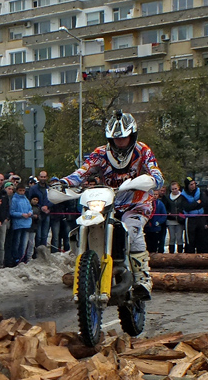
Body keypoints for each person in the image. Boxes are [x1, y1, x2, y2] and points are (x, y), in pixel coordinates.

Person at [62, 110, 164, 299]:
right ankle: (87, 269)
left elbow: (156, 173)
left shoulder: (142, 150)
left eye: (123, 138)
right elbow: (82, 171)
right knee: (87, 222)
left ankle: (142, 279)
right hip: (108, 201)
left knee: (132, 228)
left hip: (136, 202)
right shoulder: (100, 153)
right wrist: (64, 182)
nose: (120, 142)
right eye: (116, 138)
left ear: (132, 135)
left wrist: (151, 179)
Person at [178, 179, 208, 254]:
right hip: (190, 219)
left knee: (201, 239)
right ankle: (189, 256)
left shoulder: (200, 191)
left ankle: (201, 255)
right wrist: (197, 203)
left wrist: (193, 205)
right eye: (191, 184)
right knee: (190, 240)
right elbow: (187, 207)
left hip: (200, 217)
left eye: (194, 184)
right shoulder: (183, 195)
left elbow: (203, 203)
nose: (193, 186)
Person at [27, 170, 52, 251]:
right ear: (38, 177)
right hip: (37, 214)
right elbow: (30, 200)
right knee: (38, 236)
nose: (43, 178)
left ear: (47, 177)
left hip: (47, 213)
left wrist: (47, 206)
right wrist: (40, 207)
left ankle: (43, 252)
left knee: (45, 235)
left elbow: (53, 199)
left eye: (44, 177)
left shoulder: (49, 188)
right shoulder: (33, 188)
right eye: (41, 177)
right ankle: (37, 252)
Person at [9, 181, 32, 265]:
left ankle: (22, 257)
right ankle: (16, 258)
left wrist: (30, 213)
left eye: (23, 190)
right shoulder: (14, 199)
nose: (22, 192)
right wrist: (21, 214)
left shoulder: (26, 199)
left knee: (24, 242)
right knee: (17, 242)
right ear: (17, 190)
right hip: (18, 224)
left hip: (26, 224)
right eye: (20, 190)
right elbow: (12, 212)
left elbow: (30, 208)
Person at [0, 173, 12, 266]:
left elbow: (7, 207)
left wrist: (7, 217)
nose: (0, 182)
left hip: (3, 221)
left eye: (1, 180)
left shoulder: (4, 193)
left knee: (1, 244)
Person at [144, 188, 168, 254]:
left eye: (156, 194)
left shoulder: (160, 204)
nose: (155, 196)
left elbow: (164, 215)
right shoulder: (146, 203)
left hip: (156, 227)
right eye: (153, 194)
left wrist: (158, 222)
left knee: (155, 244)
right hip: (147, 227)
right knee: (148, 244)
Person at [164, 181, 184, 253]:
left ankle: (180, 253)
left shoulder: (182, 197)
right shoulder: (167, 197)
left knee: (179, 237)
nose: (174, 190)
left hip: (179, 220)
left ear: (178, 188)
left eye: (175, 188)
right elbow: (165, 208)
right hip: (170, 220)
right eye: (172, 189)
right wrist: (168, 213)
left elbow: (184, 207)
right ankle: (171, 253)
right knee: (172, 237)